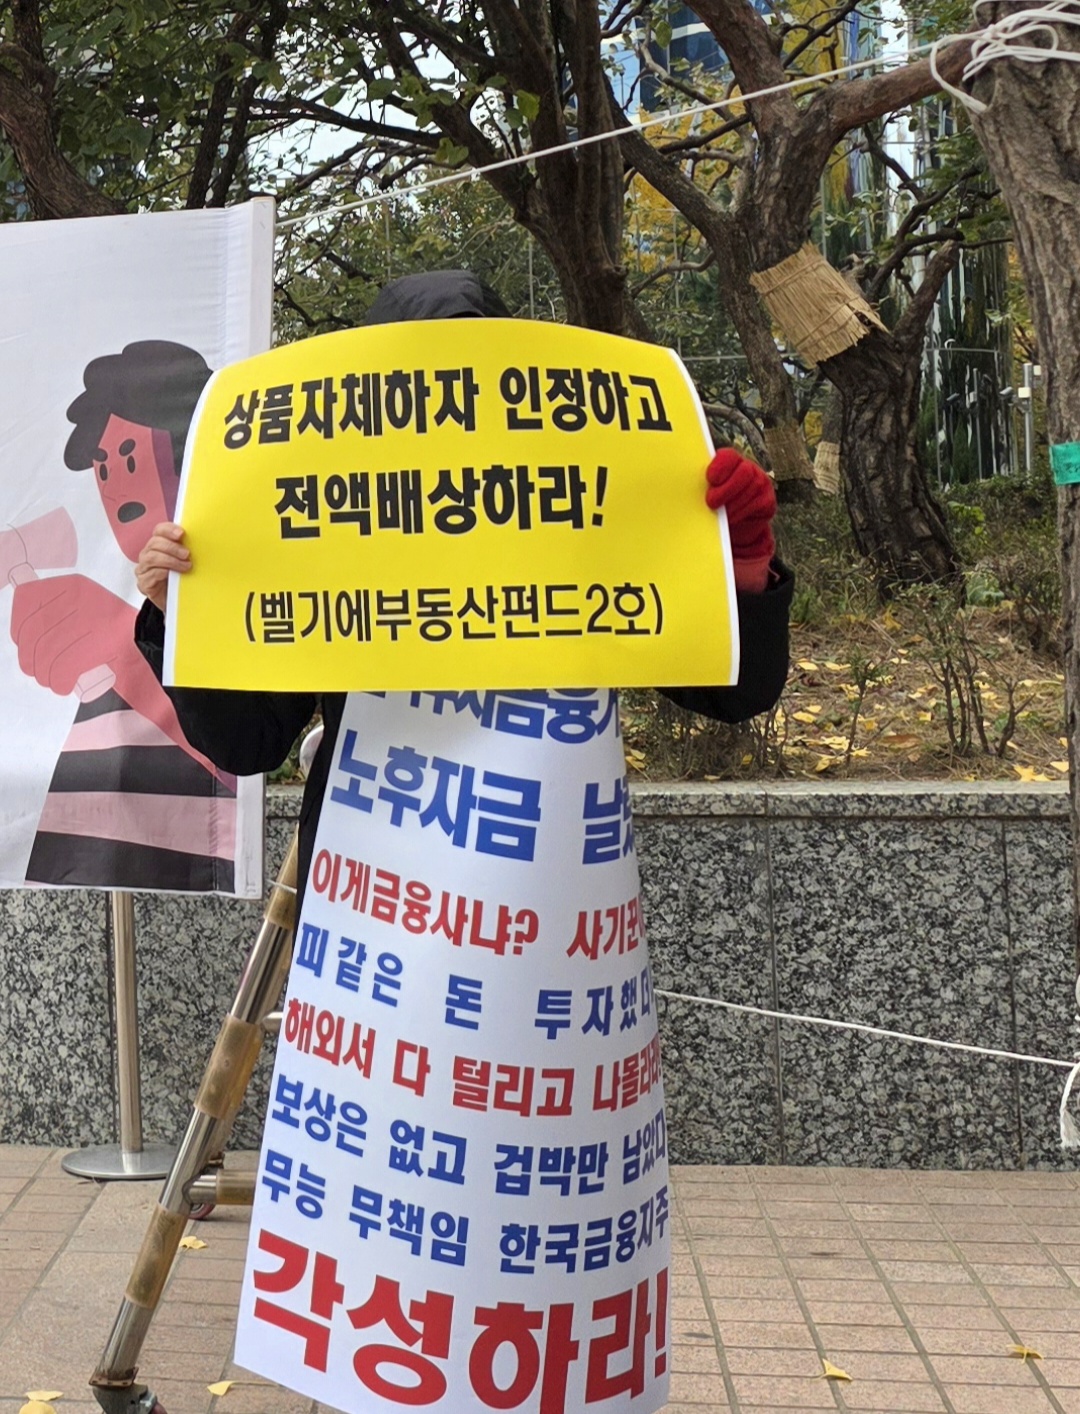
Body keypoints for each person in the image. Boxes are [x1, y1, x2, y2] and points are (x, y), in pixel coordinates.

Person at [134, 273, 791, 910]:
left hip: (540, 894)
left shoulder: (577, 519)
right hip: (365, 899)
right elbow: (247, 743)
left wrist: (740, 567)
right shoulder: (322, 536)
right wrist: (183, 616)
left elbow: (737, 692)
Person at [11, 341, 240, 890]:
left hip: (199, 863)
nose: (119, 487)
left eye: (133, 457)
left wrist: (139, 635)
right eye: (106, 469)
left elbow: (250, 752)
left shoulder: (254, 576)